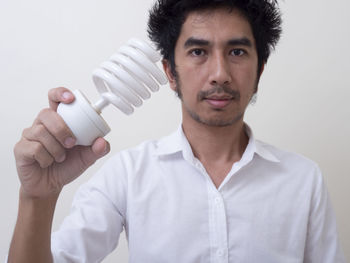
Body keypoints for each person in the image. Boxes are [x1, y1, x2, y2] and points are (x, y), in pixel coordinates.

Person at [8, 0, 345, 262]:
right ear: (169, 72)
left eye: (237, 52)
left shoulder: (303, 180)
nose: (219, 74)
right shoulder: (127, 177)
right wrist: (37, 198)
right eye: (198, 51)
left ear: (260, 70)